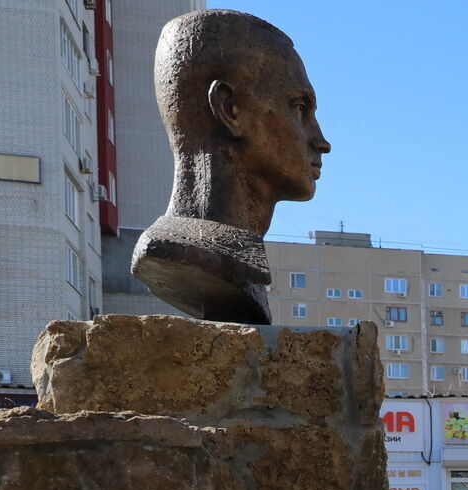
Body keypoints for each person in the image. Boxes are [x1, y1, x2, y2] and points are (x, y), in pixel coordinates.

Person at [133, 10, 331, 323]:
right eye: (299, 108)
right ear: (230, 110)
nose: (322, 142)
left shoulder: (244, 265)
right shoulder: (191, 254)